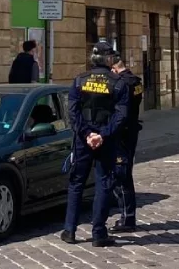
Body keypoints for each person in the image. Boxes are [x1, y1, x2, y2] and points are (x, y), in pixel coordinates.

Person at [62, 44, 129, 247]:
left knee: (76, 183)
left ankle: (69, 230)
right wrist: (102, 135)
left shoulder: (79, 80)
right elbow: (121, 116)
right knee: (104, 183)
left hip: (83, 140)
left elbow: (72, 113)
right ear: (109, 60)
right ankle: (99, 233)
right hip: (106, 140)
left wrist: (86, 134)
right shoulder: (118, 83)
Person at [109, 52, 143, 233]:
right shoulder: (136, 81)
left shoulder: (122, 83)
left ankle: (127, 218)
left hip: (122, 134)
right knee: (125, 174)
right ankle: (128, 216)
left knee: (121, 176)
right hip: (131, 131)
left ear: (114, 69)